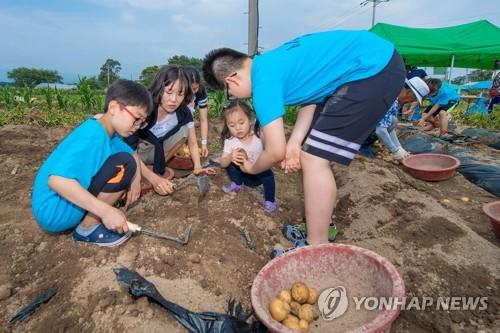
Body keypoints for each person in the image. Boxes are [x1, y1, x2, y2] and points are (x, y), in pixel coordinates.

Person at [202, 30, 406, 257]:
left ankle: (314, 249)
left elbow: (275, 151)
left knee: (313, 159)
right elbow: (311, 97)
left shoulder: (263, 82)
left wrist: (250, 167)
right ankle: (320, 226)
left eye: (229, 92)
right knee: (308, 154)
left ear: (231, 80)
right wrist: (295, 142)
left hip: (372, 69)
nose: (235, 97)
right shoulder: (272, 63)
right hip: (369, 63)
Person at [31, 79, 152, 246]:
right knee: (124, 164)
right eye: (136, 119)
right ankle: (87, 228)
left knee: (128, 161)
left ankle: (89, 217)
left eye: (142, 122)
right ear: (114, 107)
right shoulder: (93, 135)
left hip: (62, 206)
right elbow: (56, 181)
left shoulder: (107, 131)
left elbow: (132, 153)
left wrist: (136, 180)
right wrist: (106, 211)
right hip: (55, 211)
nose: (138, 126)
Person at [125, 65, 215, 195]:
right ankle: (142, 171)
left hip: (157, 150)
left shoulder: (183, 113)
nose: (173, 100)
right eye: (169, 92)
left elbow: (193, 142)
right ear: (159, 88)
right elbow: (129, 149)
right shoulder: (145, 109)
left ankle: (157, 165)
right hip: (135, 150)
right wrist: (152, 180)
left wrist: (198, 167)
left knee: (185, 132)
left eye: (180, 94)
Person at [219, 99, 277, 213]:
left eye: (241, 123)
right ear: (227, 126)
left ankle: (269, 200)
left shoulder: (258, 135)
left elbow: (273, 149)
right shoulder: (230, 141)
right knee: (230, 164)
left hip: (258, 175)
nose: (238, 128)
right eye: (232, 125)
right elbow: (222, 163)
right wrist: (230, 157)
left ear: (250, 120)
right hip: (243, 175)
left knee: (269, 175)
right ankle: (238, 184)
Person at [375, 77, 430, 160]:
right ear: (409, 93)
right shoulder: (391, 100)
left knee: (393, 120)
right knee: (391, 121)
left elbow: (389, 125)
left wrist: (399, 148)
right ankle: (362, 144)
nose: (411, 101)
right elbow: (380, 130)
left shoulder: (395, 98)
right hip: (356, 120)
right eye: (414, 99)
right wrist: (395, 150)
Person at [184, 66, 210, 157]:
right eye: (189, 90)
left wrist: (204, 144)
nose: (192, 92)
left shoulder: (201, 93)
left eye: (195, 89)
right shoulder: (177, 93)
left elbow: (203, 119)